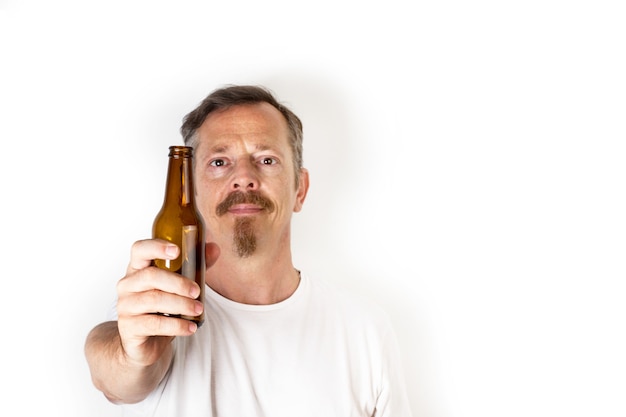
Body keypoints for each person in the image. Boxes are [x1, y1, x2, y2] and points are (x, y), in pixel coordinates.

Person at [84, 84, 413, 416]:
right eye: (219, 162)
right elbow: (114, 376)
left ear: (301, 190)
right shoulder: (159, 315)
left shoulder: (364, 329)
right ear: (191, 190)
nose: (243, 178)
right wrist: (131, 355)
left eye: (266, 159)